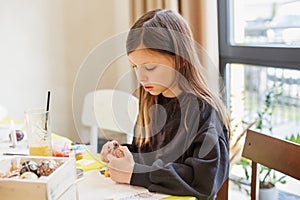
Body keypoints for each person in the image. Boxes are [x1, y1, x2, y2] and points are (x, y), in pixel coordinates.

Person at [100, 9, 230, 200]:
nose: (141, 77)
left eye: (150, 67)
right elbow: (150, 156)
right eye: (135, 67)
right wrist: (123, 154)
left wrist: (136, 173)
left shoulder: (205, 112)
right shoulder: (152, 102)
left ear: (178, 59)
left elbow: (203, 181)